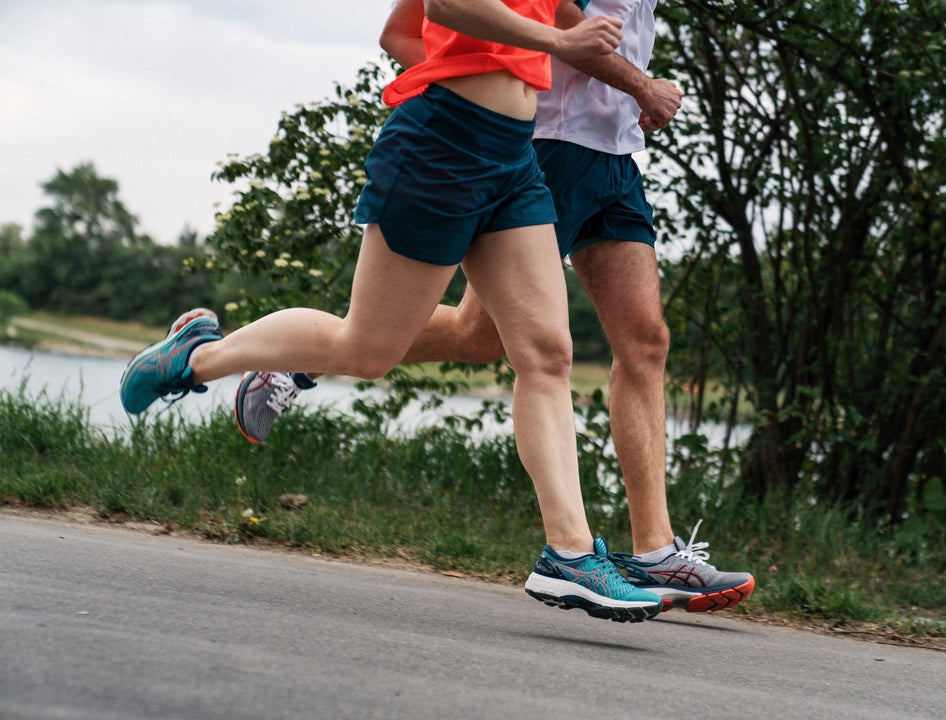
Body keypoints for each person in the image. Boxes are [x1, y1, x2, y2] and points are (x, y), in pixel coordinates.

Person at [120, 0, 666, 623]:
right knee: (367, 349)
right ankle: (198, 354)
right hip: (444, 144)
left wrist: (632, 82)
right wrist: (479, 74)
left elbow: (551, 19)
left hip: (516, 153)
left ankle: (568, 555)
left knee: (546, 351)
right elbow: (447, 7)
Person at [235, 0, 755, 613]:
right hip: (548, 147)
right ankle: (305, 355)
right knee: (480, 336)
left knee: (646, 341)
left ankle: (655, 550)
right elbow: (517, 27)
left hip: (615, 154)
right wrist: (474, 100)